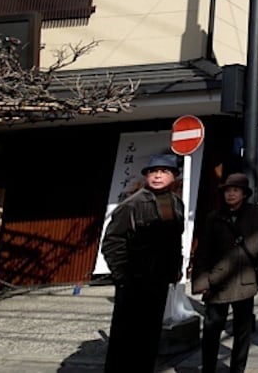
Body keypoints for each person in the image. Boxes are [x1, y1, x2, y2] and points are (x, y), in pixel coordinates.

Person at [101, 152, 185, 373]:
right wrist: (123, 276)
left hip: (159, 281)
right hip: (134, 282)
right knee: (125, 339)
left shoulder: (176, 203)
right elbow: (112, 241)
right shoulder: (133, 203)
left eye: (163, 171)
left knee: (149, 337)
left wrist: (176, 269)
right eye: (153, 172)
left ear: (173, 176)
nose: (157, 176)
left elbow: (176, 240)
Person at [191, 173, 258, 373]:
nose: (230, 194)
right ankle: (208, 368)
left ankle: (238, 369)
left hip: (245, 280)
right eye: (228, 191)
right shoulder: (214, 217)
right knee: (212, 329)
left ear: (244, 194)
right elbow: (204, 250)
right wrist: (202, 280)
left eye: (235, 190)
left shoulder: (256, 214)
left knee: (242, 330)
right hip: (218, 280)